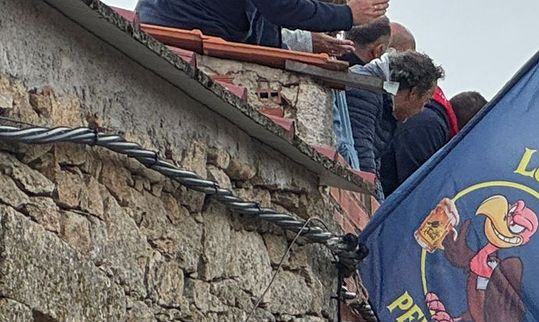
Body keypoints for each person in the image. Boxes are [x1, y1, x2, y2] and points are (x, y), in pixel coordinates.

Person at [345, 21, 415, 183]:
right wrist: (370, 191)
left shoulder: (379, 91)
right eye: (404, 59)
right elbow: (362, 148)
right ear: (381, 50)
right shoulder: (367, 88)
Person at [134, 0, 387, 44]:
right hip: (180, 33)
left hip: (168, 24)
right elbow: (281, 8)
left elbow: (266, 16)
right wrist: (348, 15)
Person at [379, 53, 453, 195]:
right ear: (413, 93)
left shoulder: (387, 114)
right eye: (425, 101)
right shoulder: (375, 104)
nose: (422, 109)